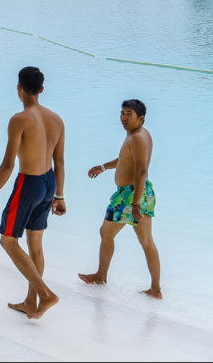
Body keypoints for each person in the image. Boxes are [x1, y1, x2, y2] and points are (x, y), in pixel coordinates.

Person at [0, 66, 66, 319]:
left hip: (28, 184)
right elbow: (60, 161)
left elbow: (9, 164)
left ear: (19, 88)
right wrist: (60, 195)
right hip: (49, 182)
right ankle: (31, 302)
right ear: (41, 89)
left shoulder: (19, 120)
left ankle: (46, 294)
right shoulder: (56, 119)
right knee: (35, 246)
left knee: (8, 241)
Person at [79, 99, 162, 299]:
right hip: (141, 193)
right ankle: (155, 289)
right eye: (122, 113)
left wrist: (134, 204)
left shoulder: (138, 138)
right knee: (146, 241)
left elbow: (141, 171)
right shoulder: (138, 135)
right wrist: (103, 167)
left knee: (106, 232)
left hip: (130, 196)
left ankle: (101, 275)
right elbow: (125, 160)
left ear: (140, 118)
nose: (124, 118)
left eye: (129, 114)